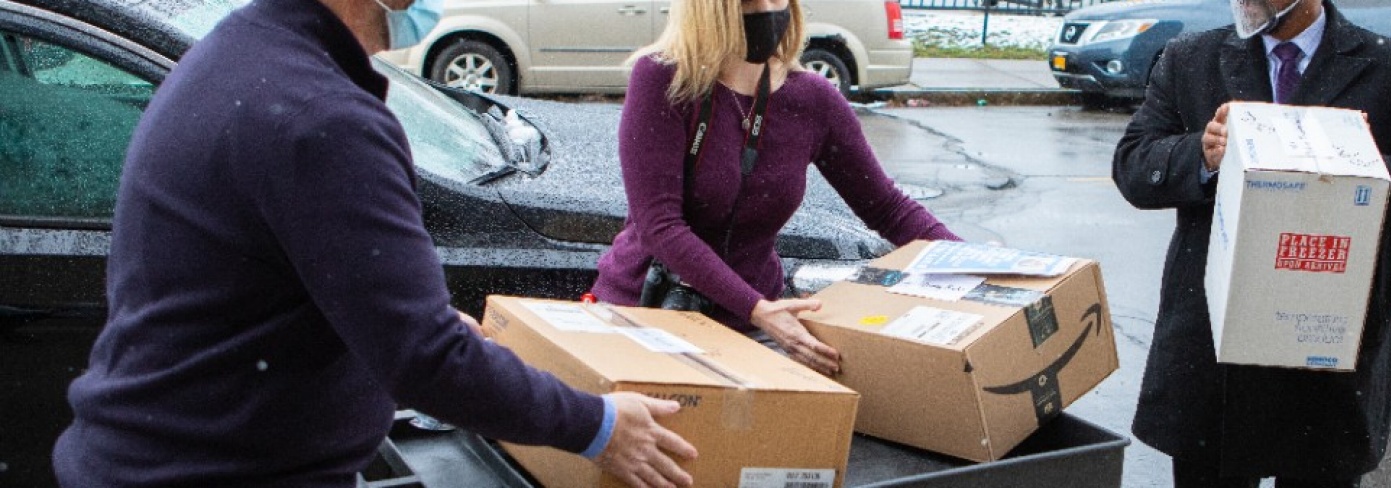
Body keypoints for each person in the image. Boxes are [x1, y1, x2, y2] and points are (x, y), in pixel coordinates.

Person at [52, 0, 697, 486]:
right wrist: (600, 426)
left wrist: (417, 327)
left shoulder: (240, 51)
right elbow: (425, 357)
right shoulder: (322, 115)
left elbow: (285, 283)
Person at [1112, 0, 1391, 486]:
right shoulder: (1191, 58)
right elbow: (1134, 166)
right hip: (1215, 359)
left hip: (1327, 364)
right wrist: (1201, 154)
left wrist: (1362, 170)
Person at [587, 0, 960, 376]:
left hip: (753, 325)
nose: (767, 9)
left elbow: (888, 208)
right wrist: (757, 309)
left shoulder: (813, 100)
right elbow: (660, 225)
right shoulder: (664, 80)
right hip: (648, 311)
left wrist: (981, 265)